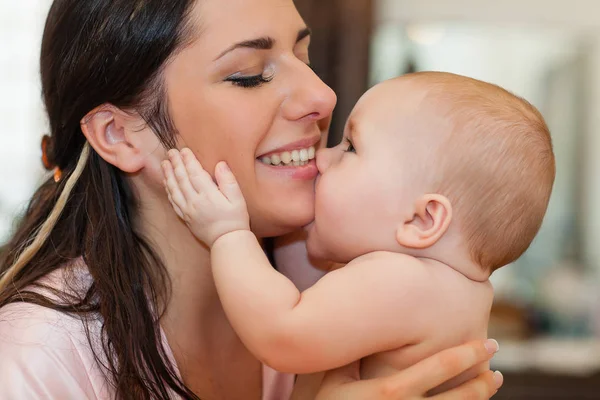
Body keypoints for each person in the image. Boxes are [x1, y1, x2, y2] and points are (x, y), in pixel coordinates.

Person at [0, 0, 503, 398]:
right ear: (120, 134)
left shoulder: (330, 280)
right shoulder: (39, 357)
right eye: (250, 75)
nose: (322, 95)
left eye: (304, 57)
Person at [163, 72, 554, 391]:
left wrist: (228, 232)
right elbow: (306, 286)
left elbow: (284, 332)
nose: (323, 157)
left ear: (422, 221)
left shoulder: (405, 282)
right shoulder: (452, 291)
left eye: (350, 148)